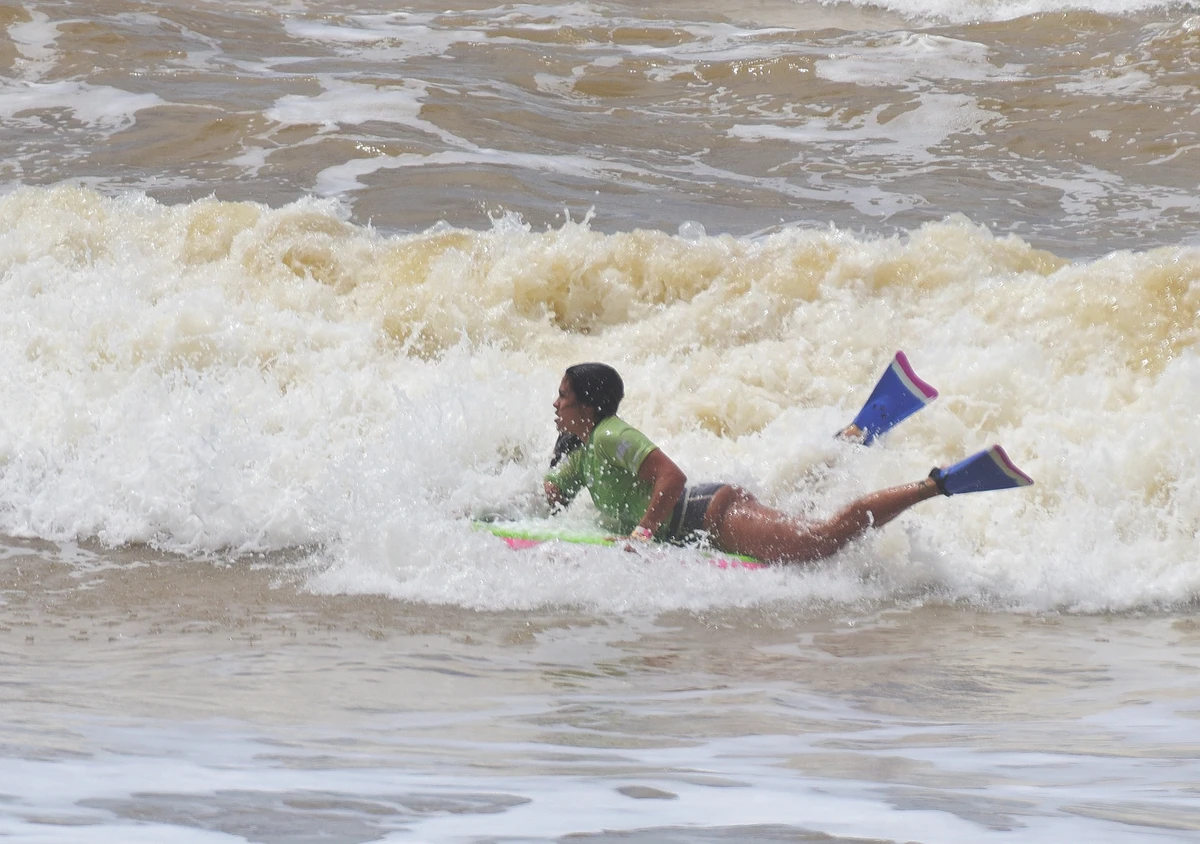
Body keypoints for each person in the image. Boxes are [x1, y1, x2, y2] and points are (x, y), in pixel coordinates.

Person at [543, 362, 957, 564]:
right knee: (803, 514)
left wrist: (641, 534)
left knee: (817, 541)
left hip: (709, 516)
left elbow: (671, 476)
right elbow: (554, 497)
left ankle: (936, 484)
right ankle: (850, 439)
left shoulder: (611, 434)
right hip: (702, 517)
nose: (556, 403)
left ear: (589, 404)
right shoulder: (582, 451)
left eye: (563, 395)